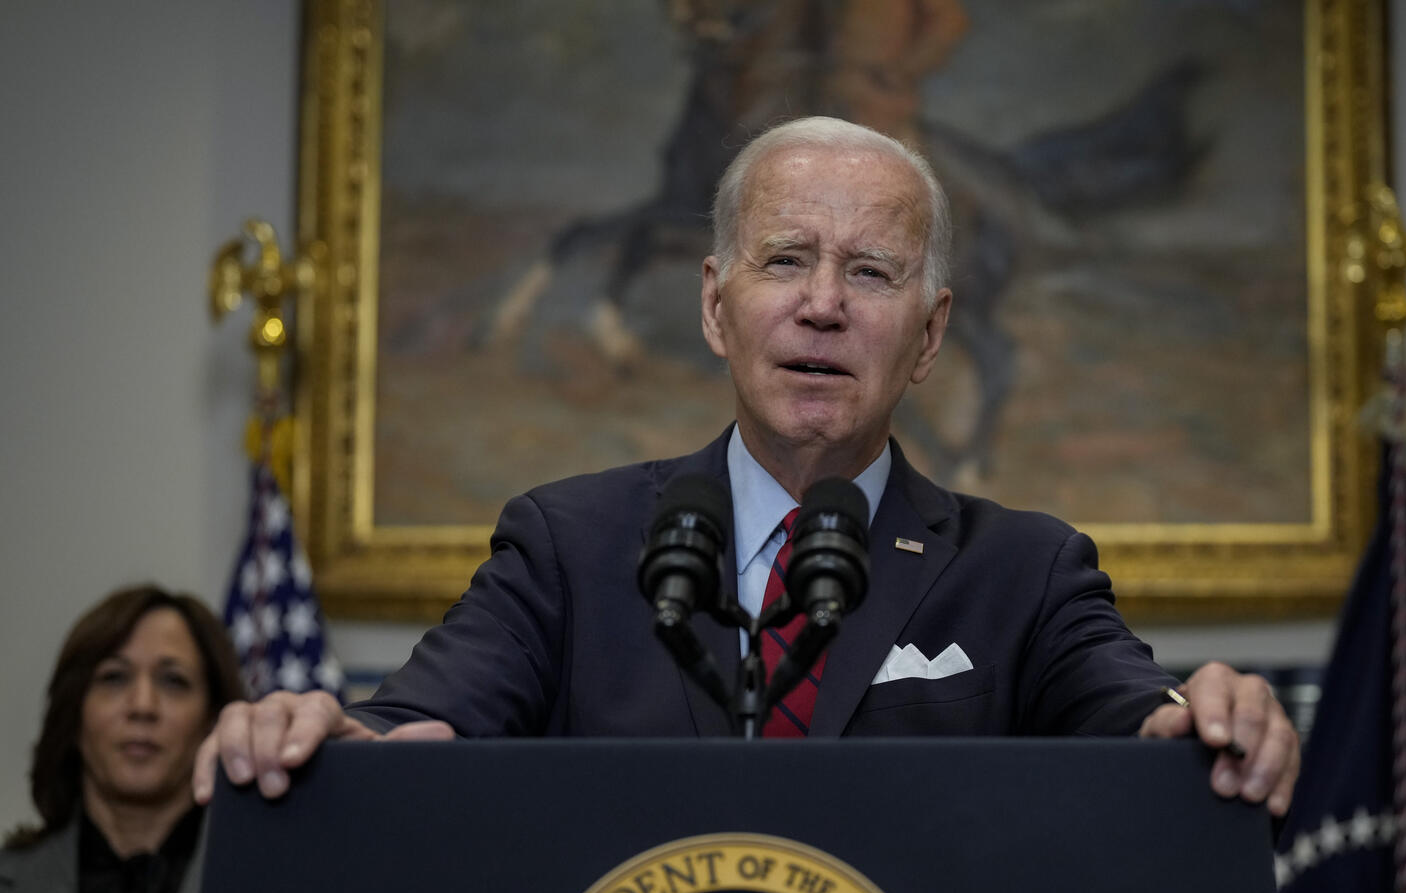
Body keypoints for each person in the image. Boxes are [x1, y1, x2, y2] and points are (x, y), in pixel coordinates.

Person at [193, 116, 1299, 817]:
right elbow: (418, 723)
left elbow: (1131, 718)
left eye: (870, 271)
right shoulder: (569, 548)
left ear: (928, 335)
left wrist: (1195, 724)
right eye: (785, 261)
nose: (822, 302)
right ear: (715, 307)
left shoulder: (1026, 572)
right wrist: (339, 739)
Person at [1, 585, 246, 893]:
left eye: (173, 681)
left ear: (211, 721)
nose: (142, 706)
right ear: (74, 716)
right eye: (114, 678)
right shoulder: (9, 886)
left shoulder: (262, 887)